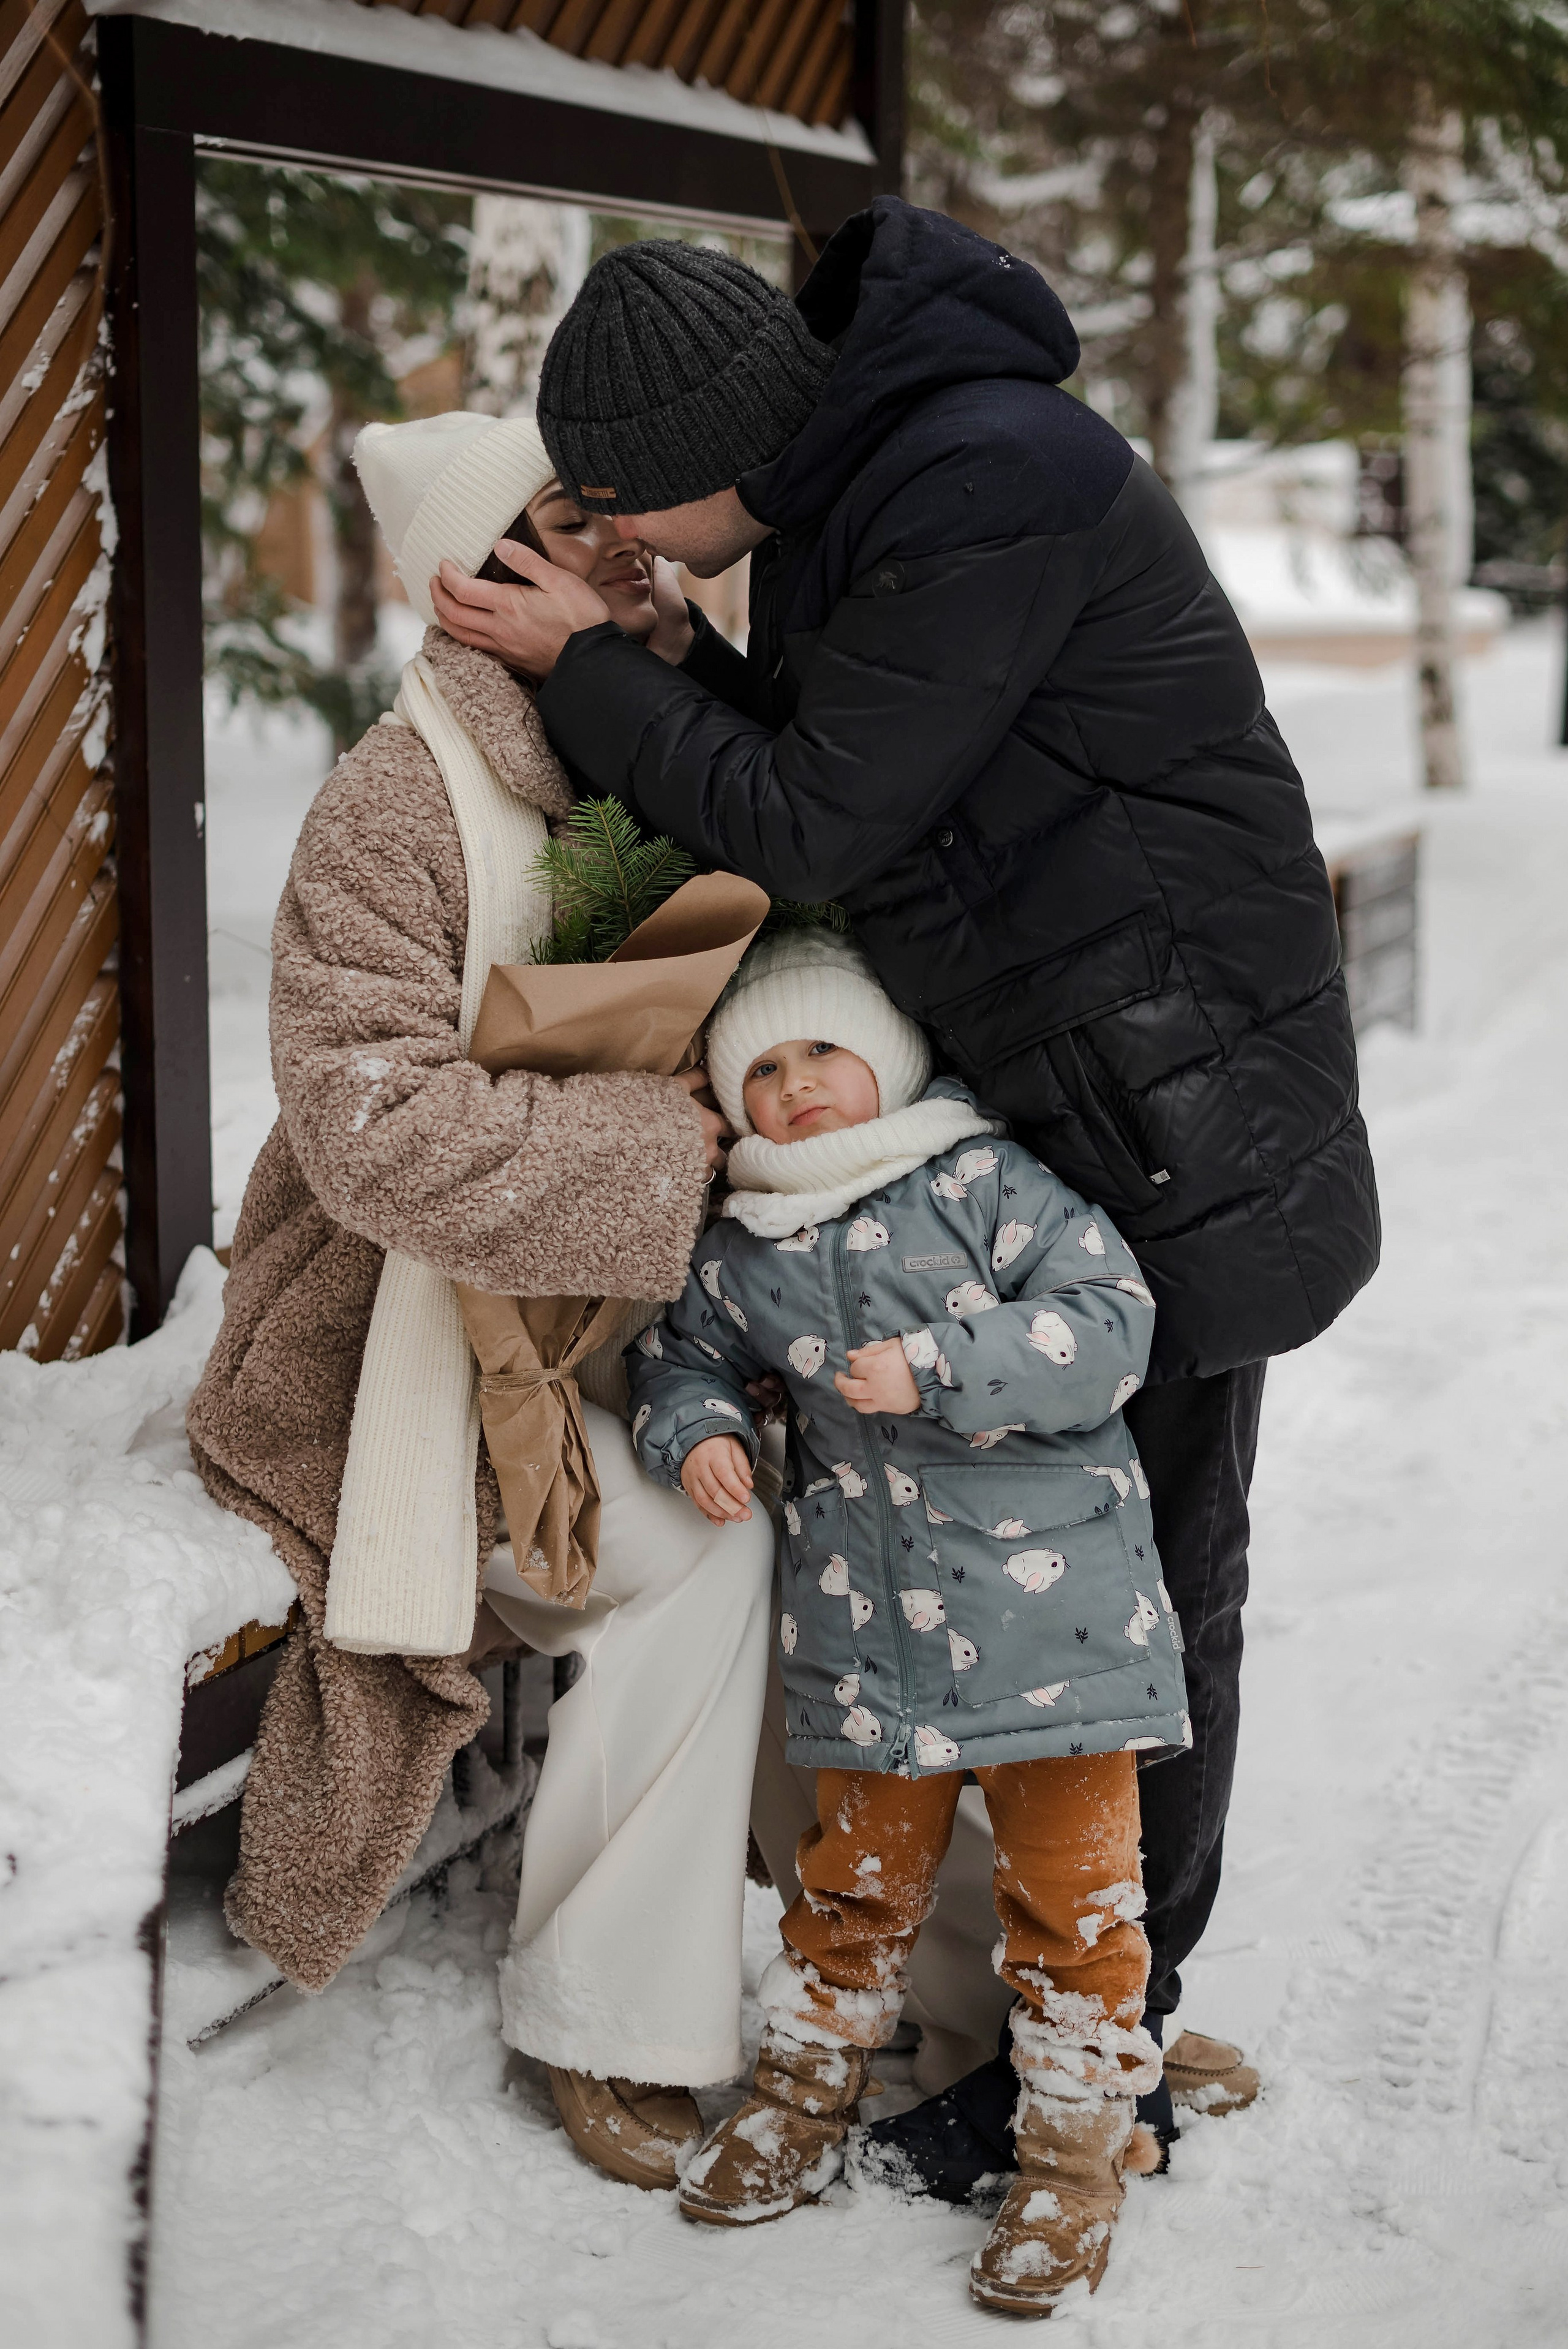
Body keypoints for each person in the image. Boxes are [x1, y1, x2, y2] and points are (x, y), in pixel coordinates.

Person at [429, 200, 1381, 2179]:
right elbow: (882, 754)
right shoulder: (908, 462)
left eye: (620, 509)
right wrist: (675, 642)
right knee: (1108, 1564)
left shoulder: (979, 478)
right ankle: (1071, 2010)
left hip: (1175, 1096)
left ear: (702, 461)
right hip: (1118, 1069)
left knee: (1149, 1584)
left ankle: (1107, 2058)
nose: (610, 541)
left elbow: (822, 811)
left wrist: (596, 666)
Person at [187, 407, 775, 2195]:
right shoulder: (397, 792)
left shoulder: (650, 726)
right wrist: (657, 1145)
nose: (637, 546)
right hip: (387, 1350)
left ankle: (982, 1972)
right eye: (581, 519)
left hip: (607, 1314)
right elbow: (367, 1123)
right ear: (479, 566)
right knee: (697, 1544)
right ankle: (612, 2017)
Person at [623, 929, 1180, 2316]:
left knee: (1073, 1899)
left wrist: (939, 1364)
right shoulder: (738, 1243)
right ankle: (802, 2094)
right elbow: (675, 1357)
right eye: (761, 1067)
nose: (797, 1086)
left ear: (888, 1056)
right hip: (867, 1633)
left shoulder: (977, 1177)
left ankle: (1071, 2150)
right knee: (847, 1890)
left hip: (1058, 1636)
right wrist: (695, 1429)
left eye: (823, 1050)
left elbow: (1110, 1318)